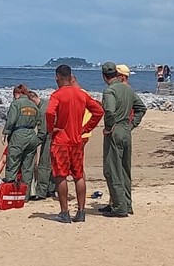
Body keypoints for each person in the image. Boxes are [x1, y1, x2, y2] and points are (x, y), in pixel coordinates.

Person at [45, 64, 104, 223]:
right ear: (71, 77)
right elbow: (98, 111)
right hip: (77, 140)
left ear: (57, 77)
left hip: (61, 140)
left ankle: (64, 212)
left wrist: (51, 129)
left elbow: (49, 112)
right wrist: (85, 128)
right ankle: (81, 211)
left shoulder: (57, 95)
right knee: (78, 175)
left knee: (60, 175)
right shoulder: (81, 94)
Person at [100, 62, 147, 218]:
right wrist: (132, 124)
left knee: (111, 169)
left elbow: (109, 111)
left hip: (116, 130)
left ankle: (119, 206)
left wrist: (108, 126)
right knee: (125, 169)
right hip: (126, 129)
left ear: (103, 76)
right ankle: (126, 203)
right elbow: (141, 107)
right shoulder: (127, 89)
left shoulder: (110, 91)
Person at [2, 84, 41, 194]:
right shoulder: (33, 105)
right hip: (32, 135)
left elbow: (11, 120)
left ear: (17, 94)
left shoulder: (16, 103)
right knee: (28, 167)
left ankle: (10, 192)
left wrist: (5, 132)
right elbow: (39, 119)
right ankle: (26, 195)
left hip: (19, 134)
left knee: (13, 163)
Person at [29, 90, 54, 201]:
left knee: (44, 165)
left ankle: (42, 192)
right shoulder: (45, 103)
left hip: (49, 137)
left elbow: (43, 131)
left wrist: (34, 143)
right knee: (53, 164)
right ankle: (51, 189)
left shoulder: (43, 110)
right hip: (55, 136)